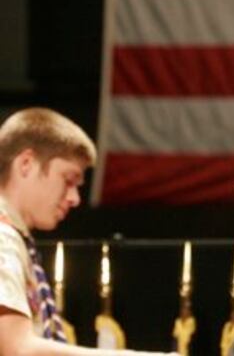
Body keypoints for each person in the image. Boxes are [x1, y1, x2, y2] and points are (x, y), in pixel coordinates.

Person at [0, 108, 176, 356]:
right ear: (26, 164)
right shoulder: (2, 238)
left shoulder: (14, 238)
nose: (74, 198)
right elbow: (16, 349)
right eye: (68, 180)